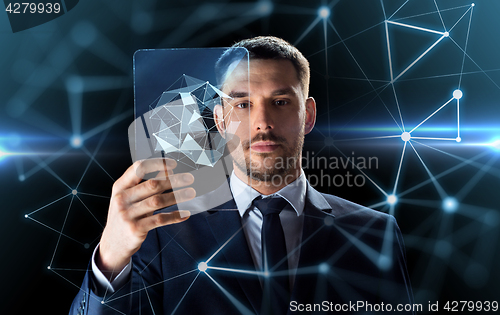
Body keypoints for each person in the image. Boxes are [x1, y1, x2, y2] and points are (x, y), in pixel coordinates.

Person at [70, 36, 415, 315]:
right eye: (243, 104)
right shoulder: (162, 232)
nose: (262, 122)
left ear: (307, 115)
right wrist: (111, 257)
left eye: (280, 102)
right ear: (220, 120)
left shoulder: (374, 232)